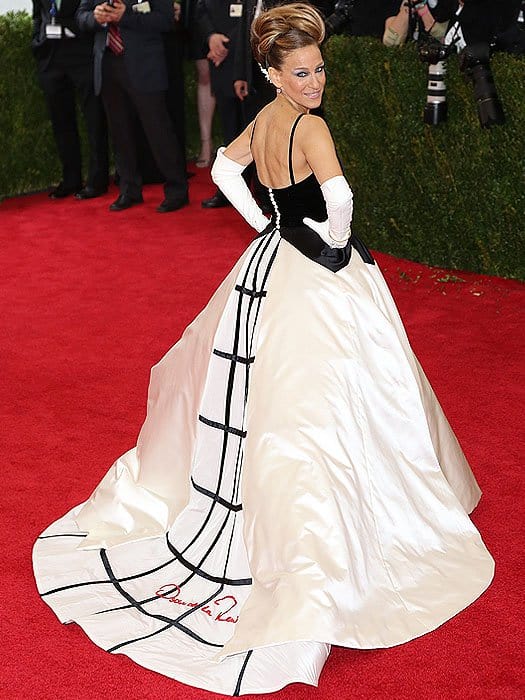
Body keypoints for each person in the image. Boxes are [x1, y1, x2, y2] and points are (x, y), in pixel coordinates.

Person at [33, 4, 494, 695]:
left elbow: (223, 167)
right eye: (301, 71)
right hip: (319, 271)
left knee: (266, 393)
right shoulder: (308, 125)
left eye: (319, 68)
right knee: (332, 395)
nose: (315, 81)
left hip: (273, 260)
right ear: (274, 74)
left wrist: (267, 225)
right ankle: (351, 521)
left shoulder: (267, 119)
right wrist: (333, 246)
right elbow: (338, 198)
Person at [77, 0, 189, 213]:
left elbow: (165, 20)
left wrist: (125, 16)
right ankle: (129, 189)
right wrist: (95, 17)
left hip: (145, 66)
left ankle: (177, 190)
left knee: (158, 130)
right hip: (108, 65)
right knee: (120, 133)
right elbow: (81, 16)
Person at [32, 0, 109, 199]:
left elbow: (93, 13)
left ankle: (97, 180)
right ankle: (71, 179)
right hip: (50, 58)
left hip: (82, 54)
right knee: (61, 122)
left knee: (94, 120)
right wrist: (37, 41)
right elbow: (38, 14)